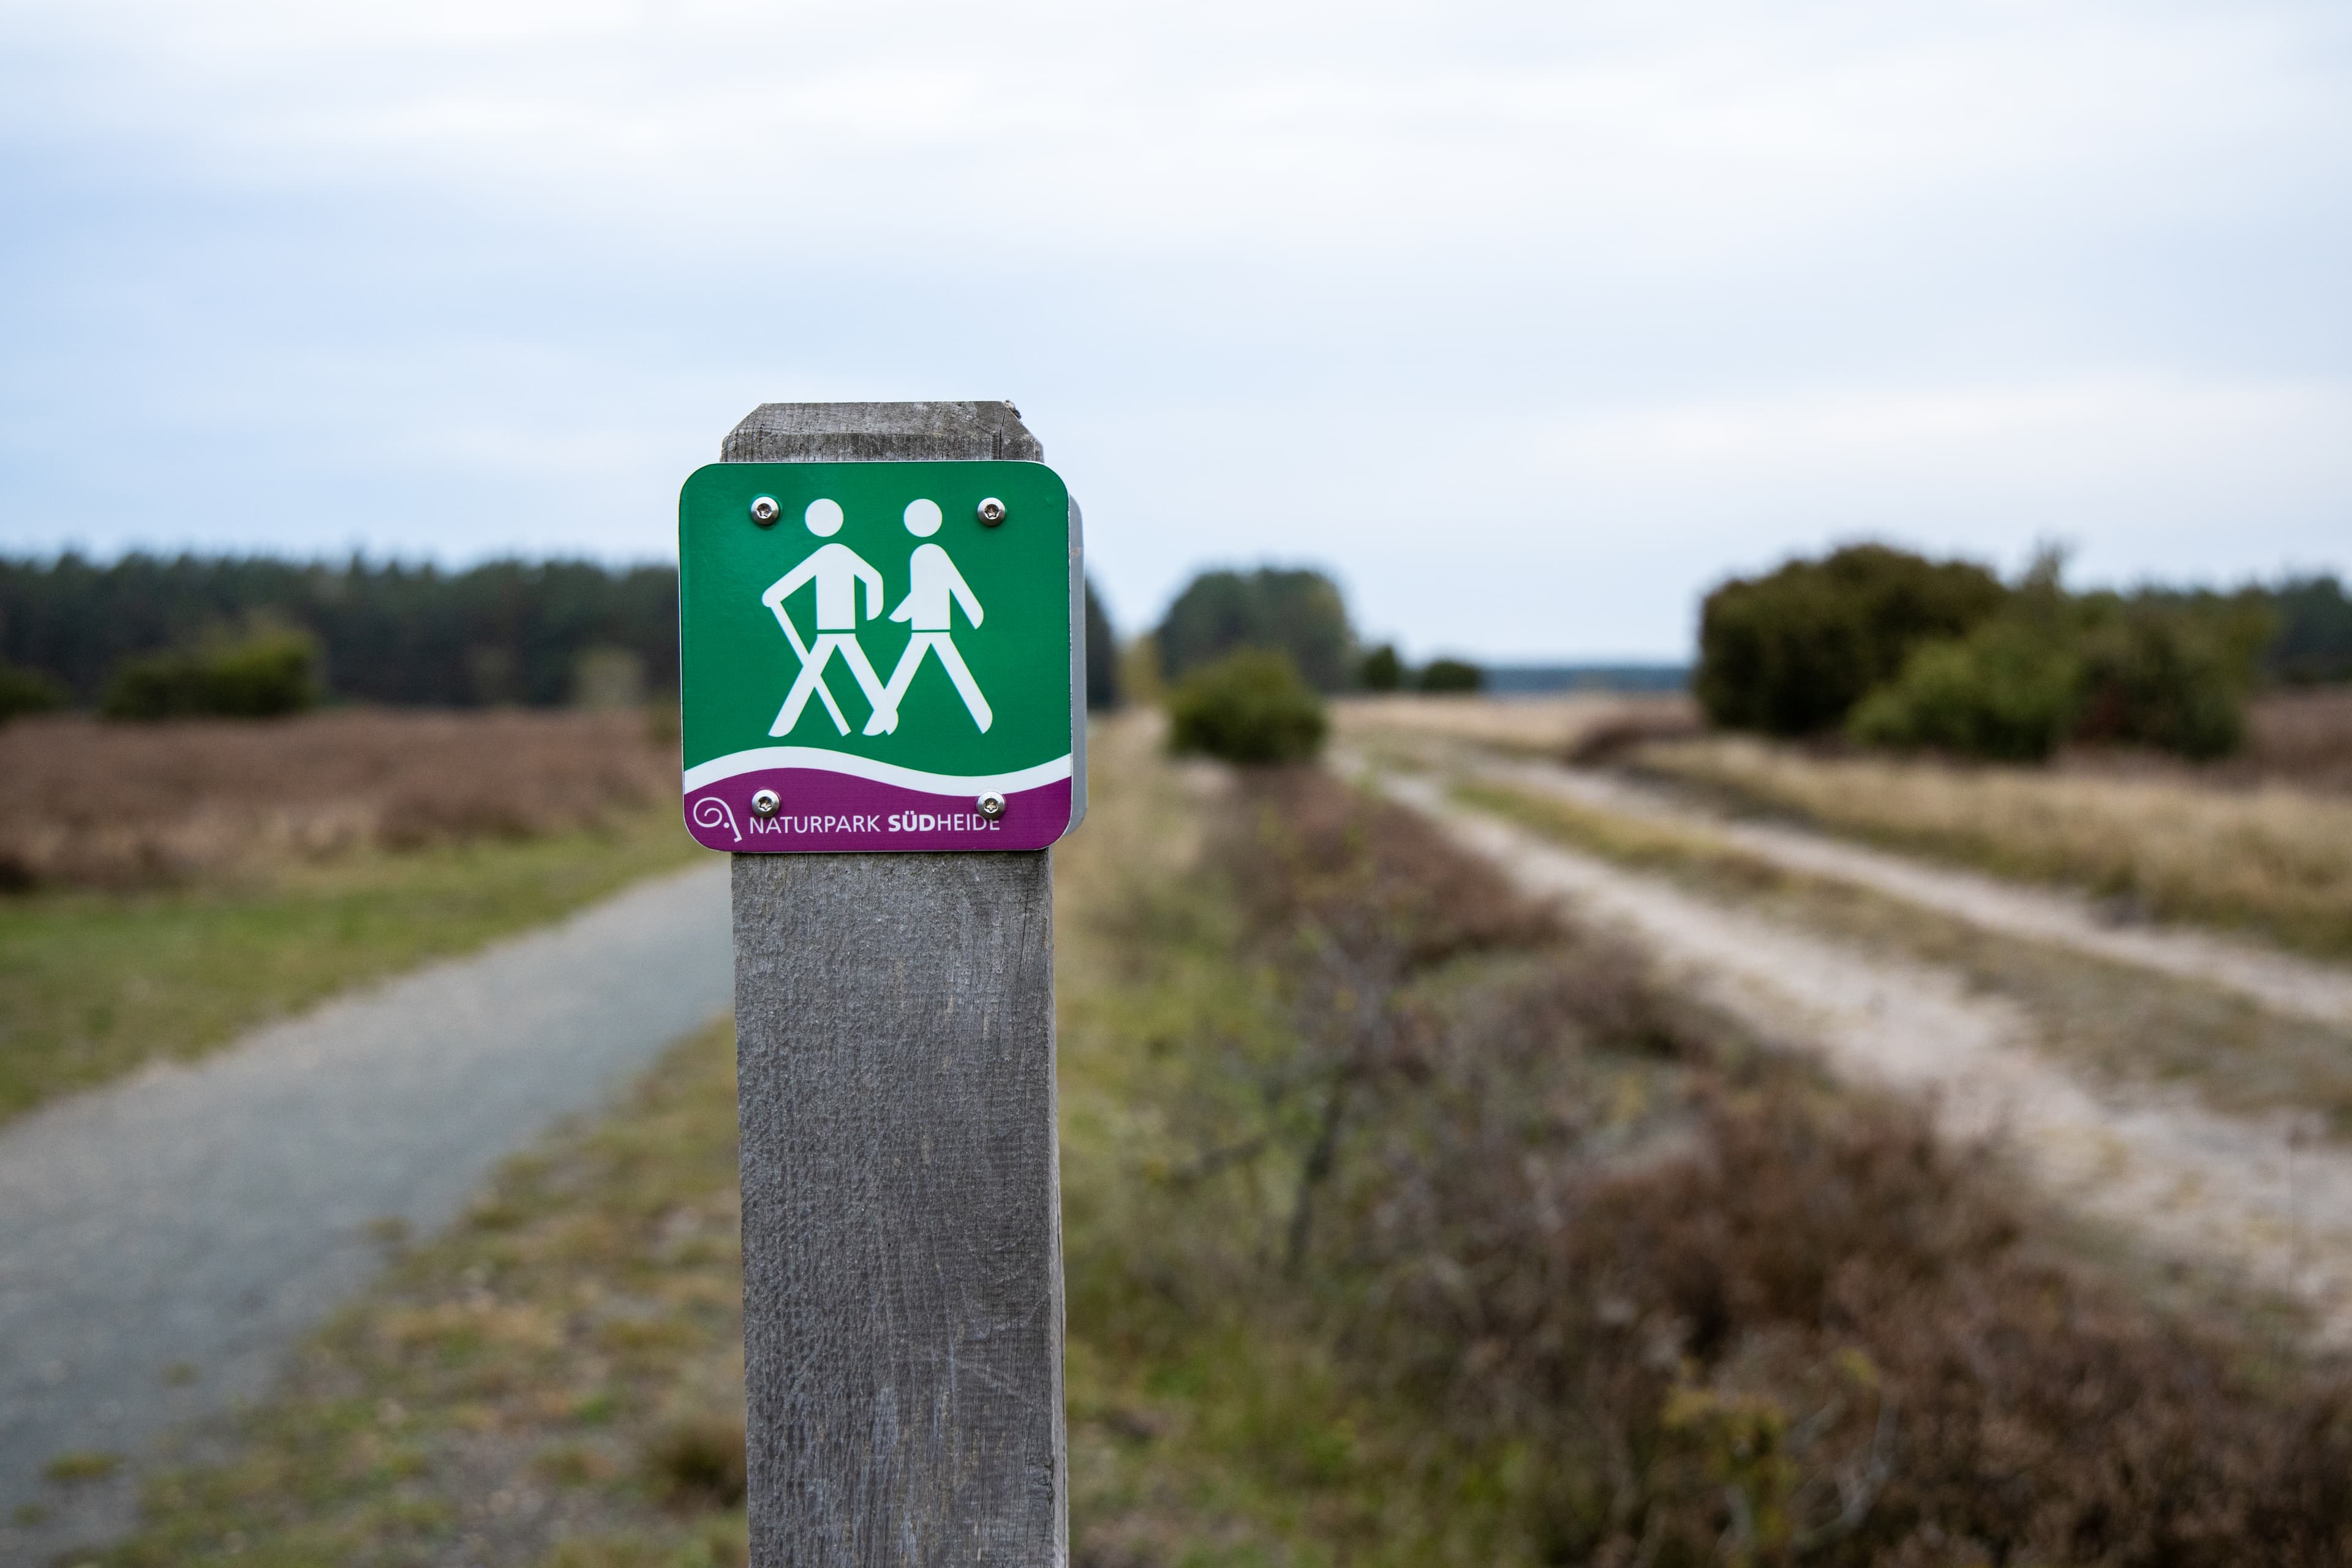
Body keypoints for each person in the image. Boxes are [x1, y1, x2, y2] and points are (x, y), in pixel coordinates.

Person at [762, 498, 892, 737]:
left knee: (841, 670)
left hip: (841, 627)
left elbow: (873, 578)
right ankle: (784, 725)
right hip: (829, 628)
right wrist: (774, 594)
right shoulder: (828, 554)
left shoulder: (835, 554)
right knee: (820, 671)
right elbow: (796, 579)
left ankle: (886, 715)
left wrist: (872, 612)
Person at [868, 498, 991, 734]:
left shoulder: (929, 554)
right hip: (926, 625)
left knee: (914, 671)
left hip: (932, 624)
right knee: (913, 671)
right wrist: (902, 613)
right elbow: (922, 592)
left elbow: (952, 584)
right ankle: (879, 721)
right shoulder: (923, 554)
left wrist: (973, 610)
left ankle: (983, 716)